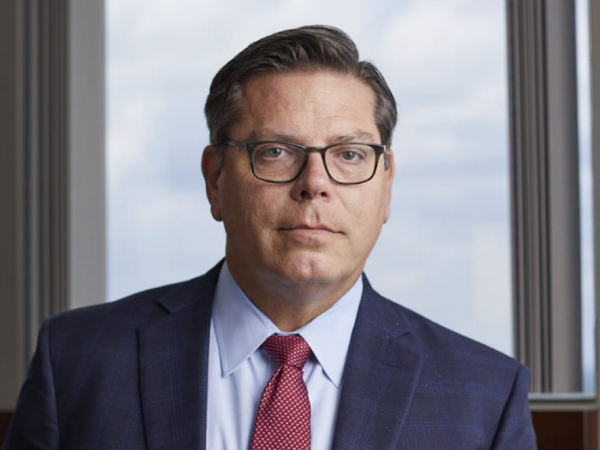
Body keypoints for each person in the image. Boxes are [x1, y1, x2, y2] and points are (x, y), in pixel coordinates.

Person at [3, 25, 537, 450]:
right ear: (215, 179)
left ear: (386, 184)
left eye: (349, 154)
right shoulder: (77, 360)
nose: (315, 185)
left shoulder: (484, 396)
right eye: (276, 151)